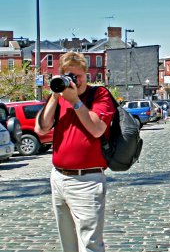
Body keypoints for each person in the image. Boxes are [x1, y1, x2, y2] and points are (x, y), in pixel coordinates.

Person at [35, 51, 116, 252]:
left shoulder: (99, 94)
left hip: (87, 181)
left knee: (90, 244)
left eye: (78, 76)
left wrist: (75, 102)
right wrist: (55, 96)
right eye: (68, 76)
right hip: (59, 178)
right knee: (68, 243)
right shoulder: (60, 97)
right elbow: (41, 128)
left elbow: (97, 129)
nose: (74, 81)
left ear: (86, 75)